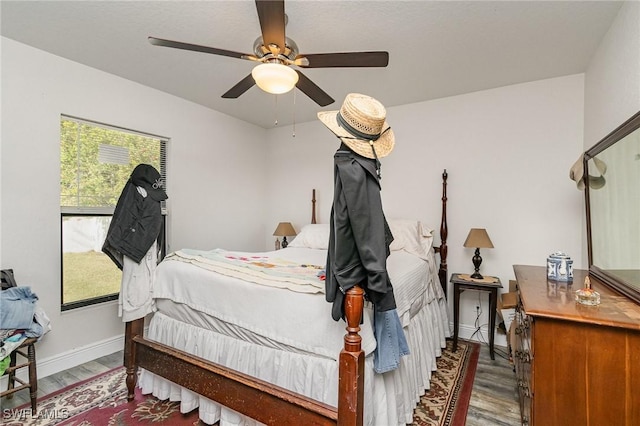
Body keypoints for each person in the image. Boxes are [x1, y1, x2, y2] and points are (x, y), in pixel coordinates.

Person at [318, 93, 409, 373]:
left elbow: (365, 224)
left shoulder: (353, 167)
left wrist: (376, 278)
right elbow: (362, 223)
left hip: (354, 266)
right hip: (354, 264)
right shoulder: (355, 166)